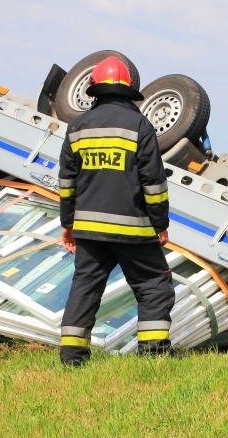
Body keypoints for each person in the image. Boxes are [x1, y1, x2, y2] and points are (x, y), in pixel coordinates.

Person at [57, 55, 175, 366]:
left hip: (89, 230)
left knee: (84, 288)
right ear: (128, 90)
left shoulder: (77, 127)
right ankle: (154, 355)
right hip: (133, 229)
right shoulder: (140, 125)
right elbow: (153, 182)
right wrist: (160, 223)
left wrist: (68, 224)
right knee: (153, 285)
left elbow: (67, 183)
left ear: (94, 89)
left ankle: (71, 357)